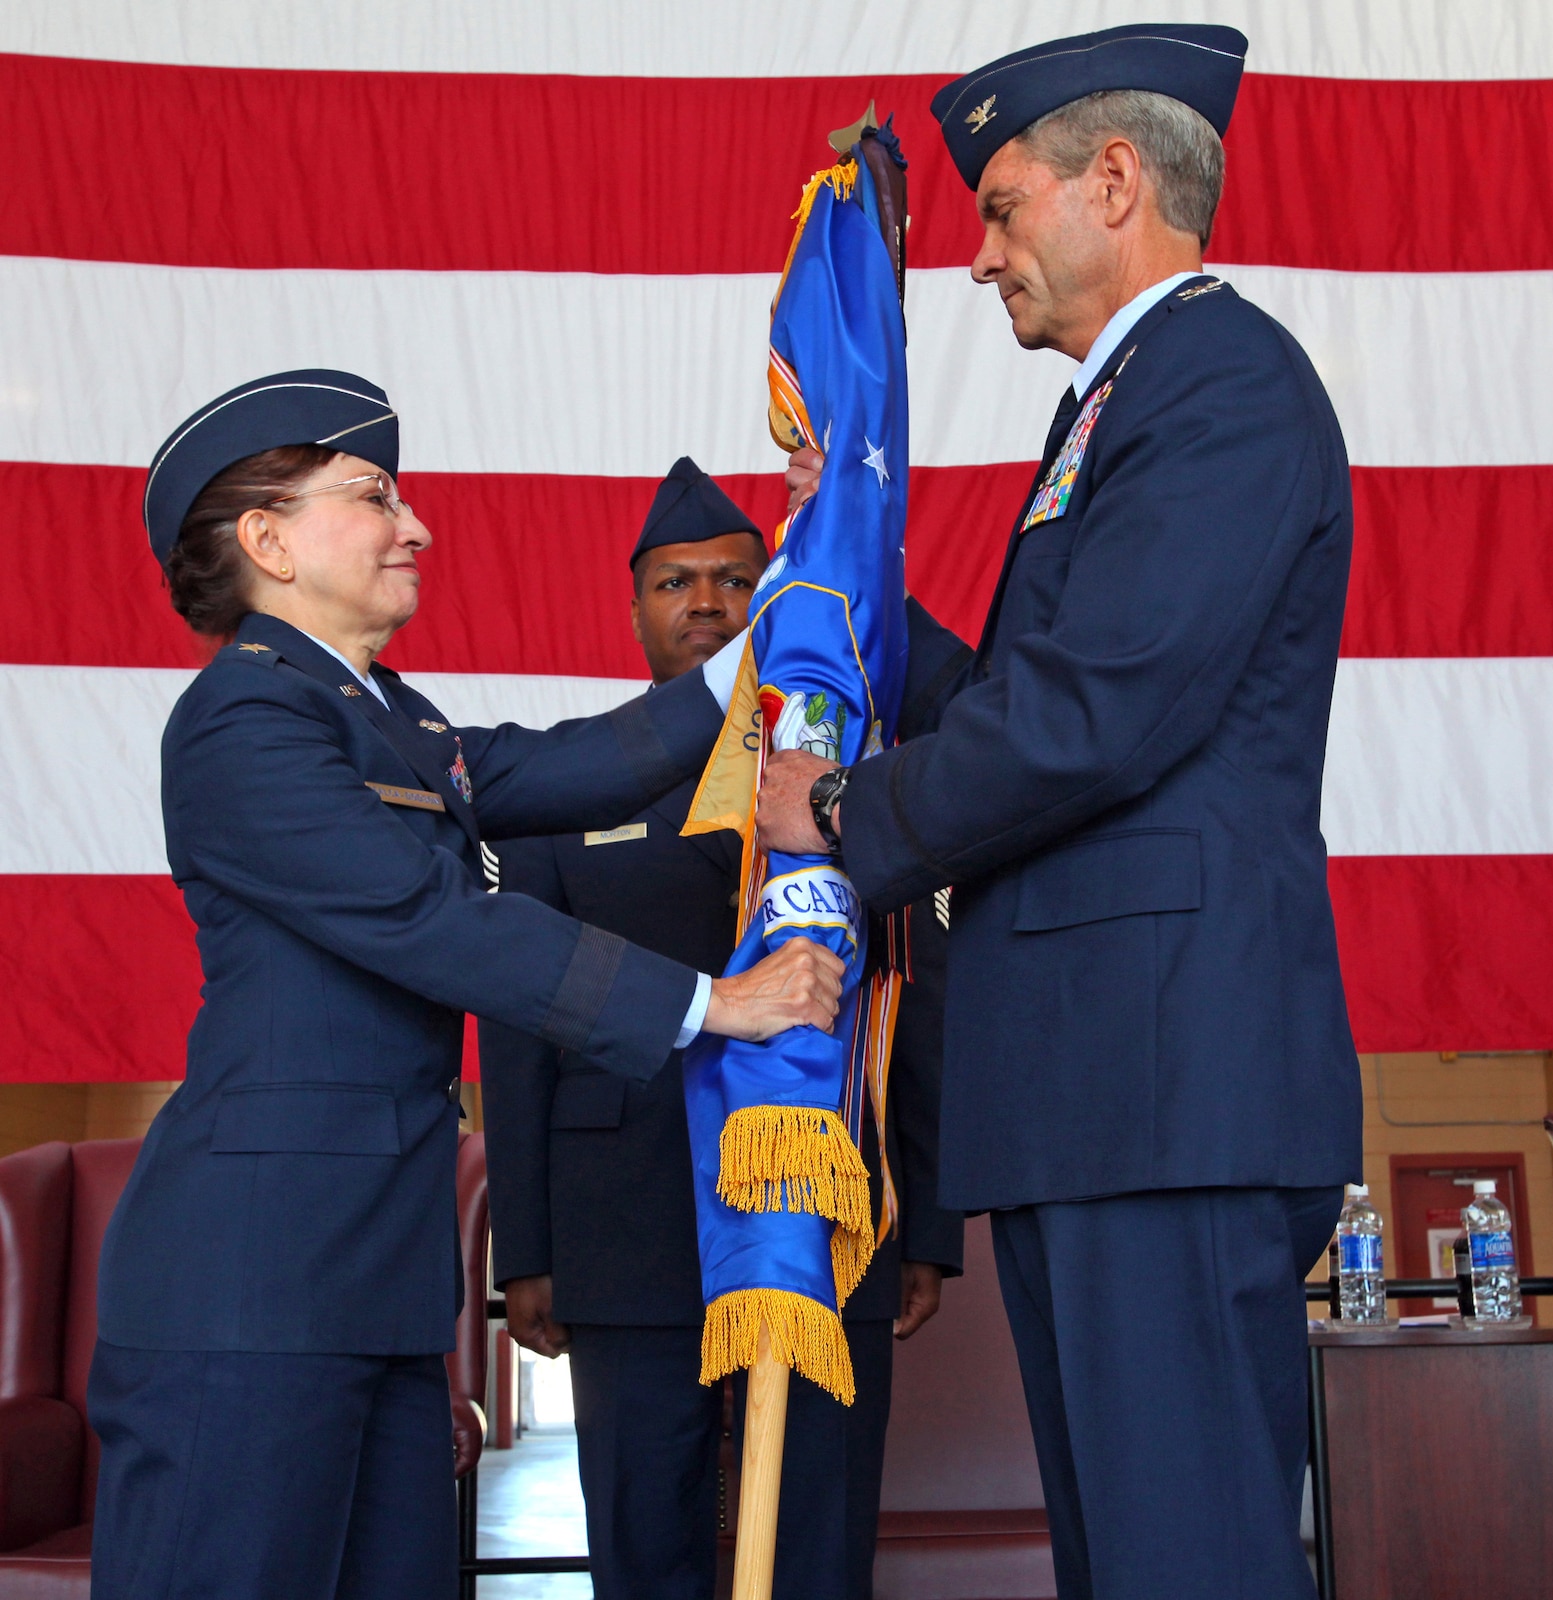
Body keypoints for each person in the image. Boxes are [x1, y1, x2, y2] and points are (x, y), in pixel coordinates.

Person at [759, 27, 1362, 1600]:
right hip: (1108, 1084)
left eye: (1004, 207)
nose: (978, 258)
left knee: (1186, 1557)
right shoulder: (1137, 394)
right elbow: (1055, 684)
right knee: (1132, 1557)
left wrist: (838, 804)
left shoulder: (1219, 380)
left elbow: (1101, 713)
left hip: (1162, 1081)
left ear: (1114, 183)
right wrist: (857, 570)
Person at [89, 373, 845, 1600]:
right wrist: (718, 1003)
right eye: (373, 497)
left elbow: (579, 763)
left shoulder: (378, 712)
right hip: (252, 1289)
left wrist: (793, 595)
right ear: (268, 543)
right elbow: (425, 915)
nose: (415, 525)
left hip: (375, 1284)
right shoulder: (243, 719)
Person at [481, 458, 962, 1600]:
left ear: (770, 599)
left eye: (734, 579)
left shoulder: (848, 780)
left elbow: (913, 990)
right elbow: (515, 1029)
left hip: (821, 1215)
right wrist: (530, 1253)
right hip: (626, 1231)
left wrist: (926, 1227)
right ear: (635, 606)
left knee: (815, 1533)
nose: (705, 601)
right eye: (675, 582)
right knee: (644, 1537)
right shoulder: (561, 784)